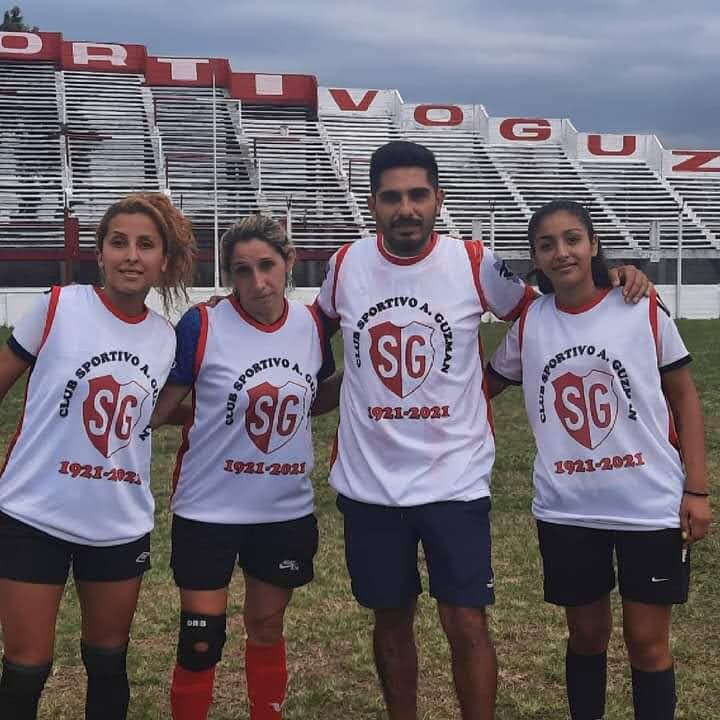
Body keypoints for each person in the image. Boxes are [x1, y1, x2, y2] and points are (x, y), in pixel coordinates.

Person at [312, 141, 650, 720]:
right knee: (390, 619)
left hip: (456, 479)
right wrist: (232, 310)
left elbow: (542, 309)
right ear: (372, 205)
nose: (406, 209)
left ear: (438, 199)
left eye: (418, 195)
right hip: (370, 483)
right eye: (392, 198)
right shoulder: (345, 264)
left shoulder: (472, 261)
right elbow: (307, 330)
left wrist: (608, 274)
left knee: (465, 620)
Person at [487, 199, 712, 720]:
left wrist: (696, 489)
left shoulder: (639, 306)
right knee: (585, 637)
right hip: (568, 510)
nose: (561, 252)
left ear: (593, 244)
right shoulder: (530, 323)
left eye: (572, 239)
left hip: (649, 505)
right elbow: (480, 387)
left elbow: (684, 398)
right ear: (535, 259)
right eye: (547, 245)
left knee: (646, 642)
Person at [0, 193, 196, 720]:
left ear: (163, 261)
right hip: (31, 514)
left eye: (145, 245)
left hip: (117, 522)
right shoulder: (58, 305)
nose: (131, 255)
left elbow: (156, 412)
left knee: (107, 661)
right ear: (100, 253)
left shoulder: (165, 339)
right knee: (26, 666)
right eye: (119, 243)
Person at [151, 214, 337, 720]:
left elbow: (314, 398)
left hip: (282, 512)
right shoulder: (203, 323)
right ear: (229, 275)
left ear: (289, 263)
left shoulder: (311, 325)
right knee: (201, 639)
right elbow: (161, 408)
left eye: (267, 266)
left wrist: (368, 384)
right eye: (242, 271)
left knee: (266, 628)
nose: (258, 282)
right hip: (207, 509)